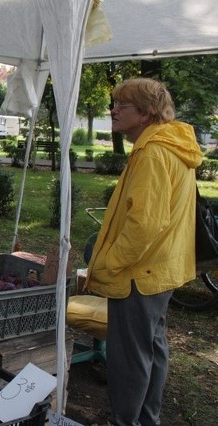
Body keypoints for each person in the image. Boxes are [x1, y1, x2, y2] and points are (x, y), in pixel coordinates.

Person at [84, 78, 203, 426]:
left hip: (139, 273)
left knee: (129, 357)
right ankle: (146, 419)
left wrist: (107, 262)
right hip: (160, 270)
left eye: (123, 105)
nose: (114, 110)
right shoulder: (168, 145)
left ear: (147, 113)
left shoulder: (153, 152)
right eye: (114, 103)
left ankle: (124, 421)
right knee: (152, 347)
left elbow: (144, 225)